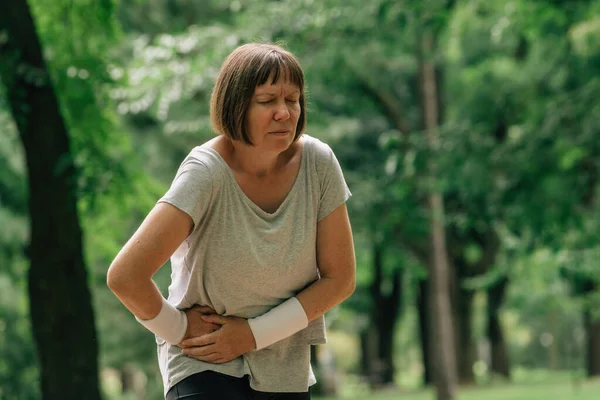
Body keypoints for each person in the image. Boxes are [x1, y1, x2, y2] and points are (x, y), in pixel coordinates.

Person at [107, 42, 356, 400]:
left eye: (292, 99)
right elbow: (126, 276)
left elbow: (340, 279)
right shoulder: (205, 173)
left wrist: (253, 335)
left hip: (283, 363)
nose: (284, 113)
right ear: (236, 106)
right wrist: (178, 330)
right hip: (203, 361)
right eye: (267, 100)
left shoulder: (319, 164)